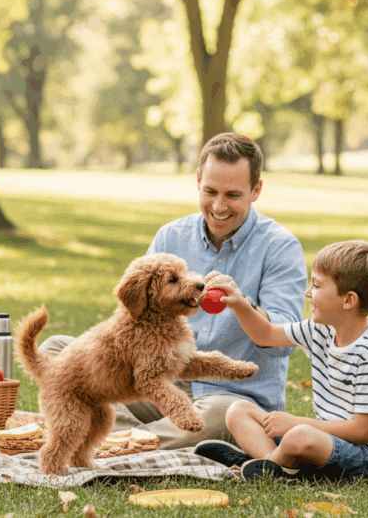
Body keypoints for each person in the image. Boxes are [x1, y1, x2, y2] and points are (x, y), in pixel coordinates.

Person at [40, 132, 308, 449]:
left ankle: (119, 440)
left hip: (231, 398)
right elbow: (133, 314)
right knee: (56, 350)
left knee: (221, 415)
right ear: (197, 181)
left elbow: (285, 343)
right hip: (155, 383)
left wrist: (243, 306)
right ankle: (144, 438)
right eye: (210, 191)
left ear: (256, 190)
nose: (219, 206)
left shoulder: (280, 247)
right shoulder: (171, 236)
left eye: (233, 195)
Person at [197, 240, 368, 481]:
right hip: (328, 441)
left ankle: (263, 468)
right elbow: (265, 335)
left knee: (299, 435)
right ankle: (277, 467)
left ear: (348, 300)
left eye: (316, 285)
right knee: (238, 411)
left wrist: (295, 423)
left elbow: (362, 432)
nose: (308, 293)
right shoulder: (321, 329)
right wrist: (240, 303)